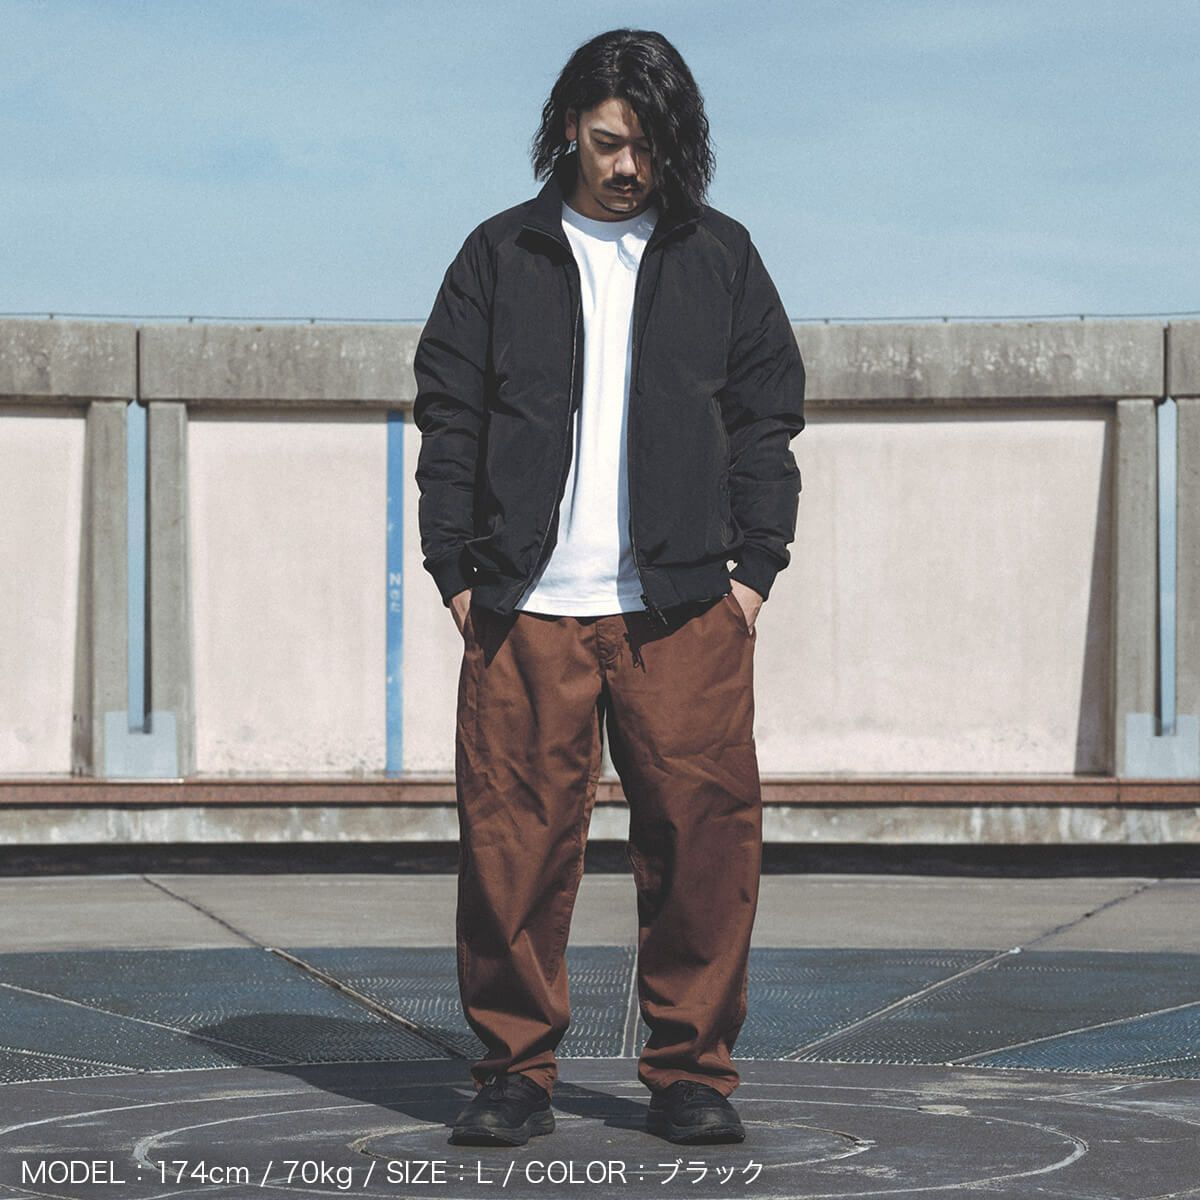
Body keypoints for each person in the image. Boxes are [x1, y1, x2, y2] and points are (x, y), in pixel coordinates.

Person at [412, 27, 805, 1147]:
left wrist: (753, 574)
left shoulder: (722, 256)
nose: (628, 167)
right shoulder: (500, 254)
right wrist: (455, 573)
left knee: (703, 844)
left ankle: (691, 1074)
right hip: (525, 607)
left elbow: (768, 419)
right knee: (512, 849)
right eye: (606, 142)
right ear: (567, 132)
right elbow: (449, 418)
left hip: (684, 610)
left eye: (648, 146)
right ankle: (513, 1073)